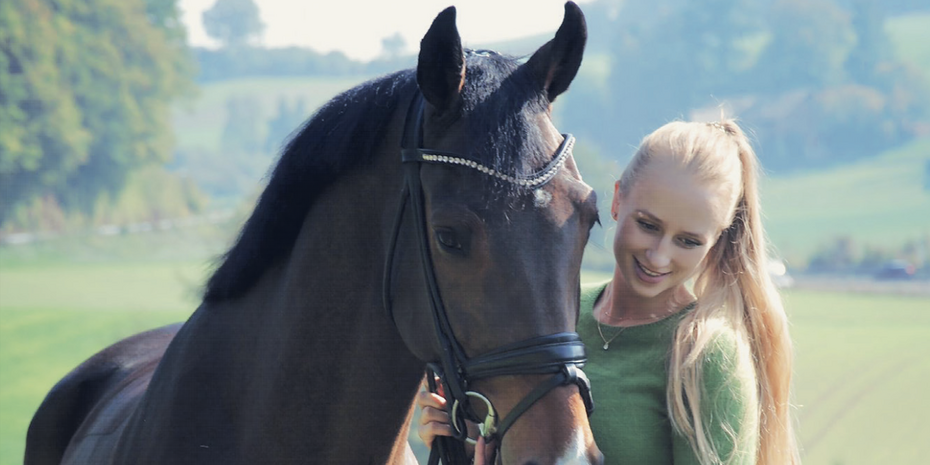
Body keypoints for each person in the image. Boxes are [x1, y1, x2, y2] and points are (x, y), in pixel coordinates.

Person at [417, 119, 800, 464]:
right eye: (648, 225)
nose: (658, 255)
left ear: (715, 242)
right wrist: (461, 446)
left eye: (687, 241)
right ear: (617, 200)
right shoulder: (554, 320)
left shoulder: (705, 354)